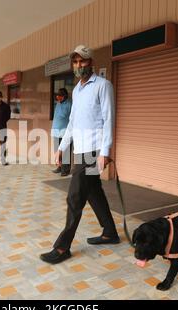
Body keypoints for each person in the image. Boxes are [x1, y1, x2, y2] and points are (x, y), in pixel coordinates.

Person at [40, 45, 120, 264]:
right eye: (75, 62)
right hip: (81, 150)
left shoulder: (103, 86)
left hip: (93, 150)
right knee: (93, 192)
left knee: (74, 197)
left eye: (82, 61)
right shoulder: (76, 90)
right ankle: (110, 232)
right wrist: (62, 148)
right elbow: (73, 123)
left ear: (90, 62)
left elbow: (109, 119)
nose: (78, 65)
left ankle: (62, 247)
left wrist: (105, 151)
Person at [51, 88, 72, 177]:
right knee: (57, 150)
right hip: (56, 131)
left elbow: (68, 117)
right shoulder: (58, 104)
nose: (57, 97)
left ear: (64, 96)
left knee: (65, 151)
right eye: (57, 96)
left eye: (59, 96)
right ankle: (59, 167)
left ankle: (65, 170)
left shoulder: (69, 104)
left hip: (65, 132)